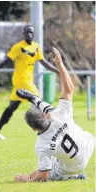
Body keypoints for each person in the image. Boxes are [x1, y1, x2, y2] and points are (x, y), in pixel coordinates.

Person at [14, 47, 95, 182]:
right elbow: (69, 88)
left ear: (33, 129)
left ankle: (73, 177)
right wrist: (60, 64)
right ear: (46, 116)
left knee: (39, 172)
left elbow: (43, 176)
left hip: (73, 166)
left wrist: (27, 181)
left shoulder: (41, 144)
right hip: (88, 145)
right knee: (53, 156)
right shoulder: (59, 114)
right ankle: (70, 172)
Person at [0, 25, 59, 140]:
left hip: (25, 82)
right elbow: (4, 62)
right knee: (40, 100)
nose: (29, 35)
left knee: (11, 108)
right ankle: (50, 130)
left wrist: (58, 70)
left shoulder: (36, 47)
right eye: (27, 32)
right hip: (22, 81)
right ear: (24, 34)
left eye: (31, 32)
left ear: (34, 34)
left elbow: (44, 62)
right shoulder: (18, 47)